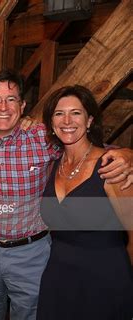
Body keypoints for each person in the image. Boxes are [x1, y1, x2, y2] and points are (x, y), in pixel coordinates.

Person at [0, 70, 132, 320]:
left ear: (23, 105)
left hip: (32, 253)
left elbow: (91, 150)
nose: (3, 107)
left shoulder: (42, 138)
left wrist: (128, 154)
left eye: (11, 99)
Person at [36, 85, 133, 319]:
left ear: (89, 121)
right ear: (51, 124)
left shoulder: (112, 166)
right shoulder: (52, 165)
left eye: (76, 113)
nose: (67, 120)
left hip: (105, 279)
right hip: (58, 276)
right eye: (59, 114)